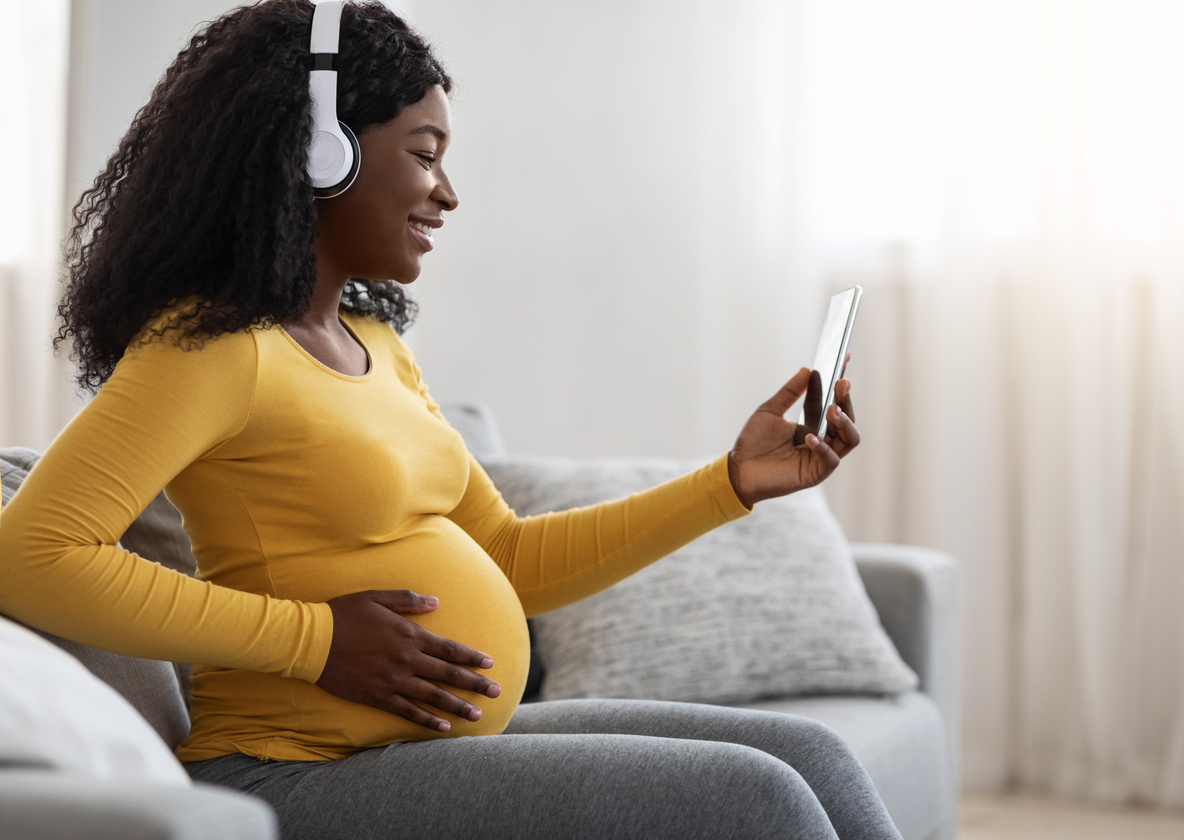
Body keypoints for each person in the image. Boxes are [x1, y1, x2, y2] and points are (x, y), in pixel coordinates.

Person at [0, 2, 901, 838]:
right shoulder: (211, 348)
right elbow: (32, 558)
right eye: (425, 153)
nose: (447, 192)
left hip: (419, 748)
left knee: (812, 754)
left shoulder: (374, 344)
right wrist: (313, 641)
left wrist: (732, 484)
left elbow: (508, 560)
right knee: (757, 798)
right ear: (322, 152)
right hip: (287, 774)